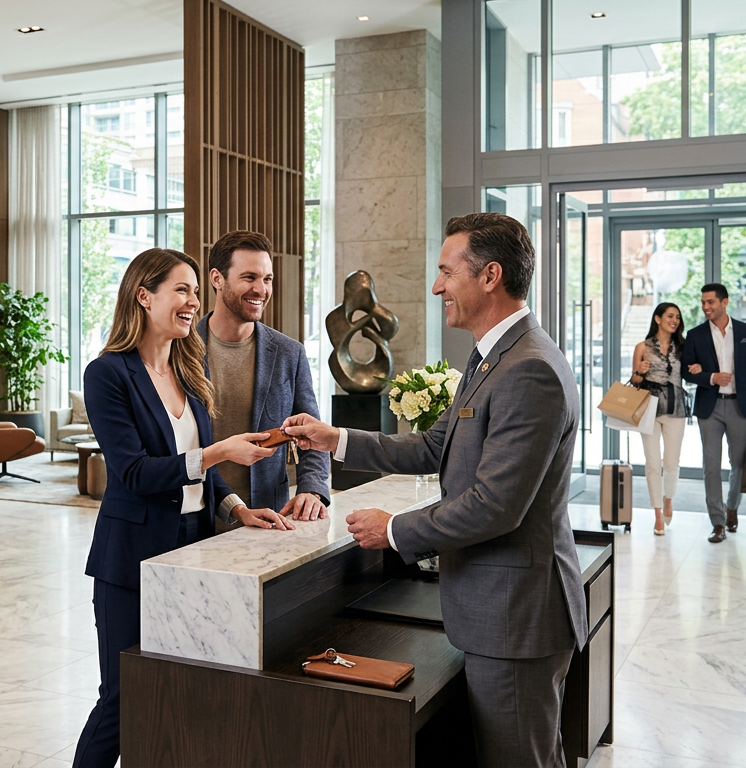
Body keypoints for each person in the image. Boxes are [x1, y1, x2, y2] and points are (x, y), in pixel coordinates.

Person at [283, 213, 587, 768]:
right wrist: (337, 439)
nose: (436, 286)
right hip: (496, 613)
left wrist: (394, 529)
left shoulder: (529, 370)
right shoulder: (492, 356)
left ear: (490, 276)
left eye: (447, 272)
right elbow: (432, 447)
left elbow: (496, 505)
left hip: (516, 618)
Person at [73, 248, 294, 768]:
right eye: (182, 289)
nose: (194, 301)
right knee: (123, 700)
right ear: (143, 295)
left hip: (195, 550)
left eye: (196, 290)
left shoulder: (188, 368)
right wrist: (221, 450)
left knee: (182, 691)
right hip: (131, 561)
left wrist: (238, 509)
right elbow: (133, 473)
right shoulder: (107, 374)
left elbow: (201, 474)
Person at [198, 230, 331, 522]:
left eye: (267, 279)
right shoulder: (180, 349)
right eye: (249, 277)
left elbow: (313, 433)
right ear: (217, 279)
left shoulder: (289, 353)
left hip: (269, 515)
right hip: (195, 516)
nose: (261, 289)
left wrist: (313, 489)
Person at [682, 283, 746, 544]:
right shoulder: (695, 335)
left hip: (739, 405)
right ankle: (717, 522)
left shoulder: (745, 332)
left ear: (724, 302)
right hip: (709, 407)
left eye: (710, 302)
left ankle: (732, 508)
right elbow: (686, 371)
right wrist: (710, 377)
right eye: (703, 302)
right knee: (710, 466)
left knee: (739, 463)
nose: (706, 307)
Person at [629, 302, 690, 536]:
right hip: (649, 407)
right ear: (657, 319)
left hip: (676, 407)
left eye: (677, 316)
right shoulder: (642, 346)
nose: (674, 320)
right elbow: (634, 381)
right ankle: (657, 513)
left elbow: (689, 372)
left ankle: (668, 499)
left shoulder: (683, 347)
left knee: (671, 461)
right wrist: (640, 371)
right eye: (669, 316)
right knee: (653, 463)